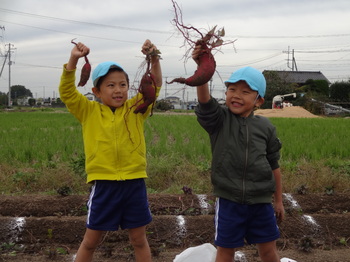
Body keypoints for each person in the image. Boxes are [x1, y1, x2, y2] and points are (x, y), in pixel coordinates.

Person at [59, 39, 162, 262]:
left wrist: (154, 58)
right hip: (104, 184)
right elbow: (67, 92)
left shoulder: (136, 109)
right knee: (90, 241)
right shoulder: (88, 111)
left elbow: (154, 88)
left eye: (122, 85)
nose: (118, 90)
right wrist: (73, 60)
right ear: (96, 91)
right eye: (111, 85)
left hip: (134, 183)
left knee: (139, 240)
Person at [192, 48, 285, 262]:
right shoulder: (219, 121)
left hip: (261, 202)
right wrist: (202, 68)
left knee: (269, 251)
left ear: (259, 100)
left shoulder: (266, 127)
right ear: (225, 94)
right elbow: (205, 101)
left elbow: (274, 165)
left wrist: (278, 201)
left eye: (245, 92)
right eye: (232, 89)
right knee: (225, 251)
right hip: (229, 201)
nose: (236, 95)